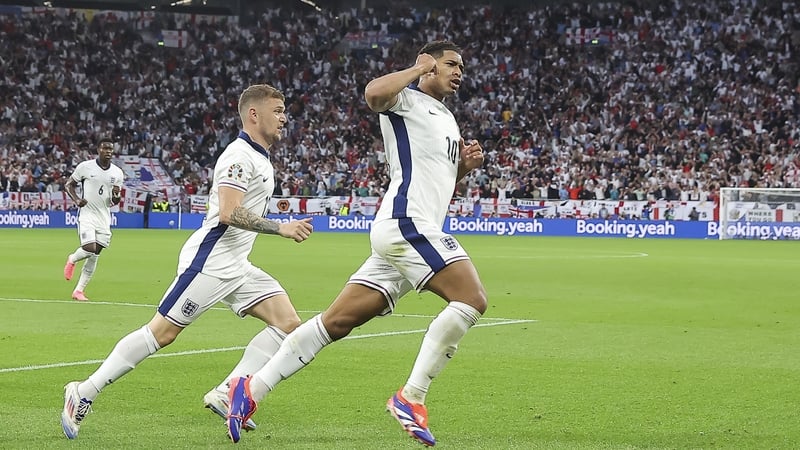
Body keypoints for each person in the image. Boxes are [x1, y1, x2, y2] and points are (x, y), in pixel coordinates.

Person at [225, 40, 487, 447]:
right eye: (451, 64)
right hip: (406, 224)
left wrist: (464, 170)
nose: (459, 71)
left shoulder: (446, 118)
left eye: (462, 66)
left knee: (335, 323)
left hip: (407, 233)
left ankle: (249, 390)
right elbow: (373, 94)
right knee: (471, 299)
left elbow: (436, 183)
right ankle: (411, 397)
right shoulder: (407, 99)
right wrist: (417, 68)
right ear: (430, 64)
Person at [60, 84, 315, 440]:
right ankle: (83, 391)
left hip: (238, 264)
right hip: (210, 261)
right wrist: (280, 228)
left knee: (288, 324)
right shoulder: (239, 156)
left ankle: (228, 393)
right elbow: (228, 212)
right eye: (278, 109)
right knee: (161, 333)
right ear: (254, 114)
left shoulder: (260, 157)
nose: (284, 117)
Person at [62, 139, 125, 301]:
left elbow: (115, 201)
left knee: (95, 254)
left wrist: (117, 196)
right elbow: (69, 185)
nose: (108, 151)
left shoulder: (117, 173)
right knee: (89, 248)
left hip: (103, 217)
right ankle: (72, 259)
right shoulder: (85, 167)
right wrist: (76, 200)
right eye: (105, 148)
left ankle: (79, 291)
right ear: (98, 149)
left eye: (111, 149)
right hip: (87, 214)